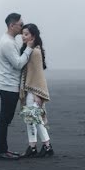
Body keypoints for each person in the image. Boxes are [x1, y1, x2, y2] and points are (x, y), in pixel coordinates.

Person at [0, 13, 34, 160]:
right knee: (4, 119)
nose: (22, 26)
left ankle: (3, 150)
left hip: (8, 85)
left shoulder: (9, 40)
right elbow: (18, 64)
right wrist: (29, 48)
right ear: (12, 26)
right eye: (20, 24)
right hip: (7, 86)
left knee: (5, 118)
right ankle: (1, 151)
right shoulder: (7, 43)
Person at [18, 23, 54, 158]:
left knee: (35, 118)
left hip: (33, 92)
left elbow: (38, 75)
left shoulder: (36, 52)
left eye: (26, 34)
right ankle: (32, 147)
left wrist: (38, 94)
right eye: (23, 33)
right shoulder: (28, 50)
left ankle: (47, 145)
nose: (23, 36)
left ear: (33, 36)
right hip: (27, 91)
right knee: (30, 119)